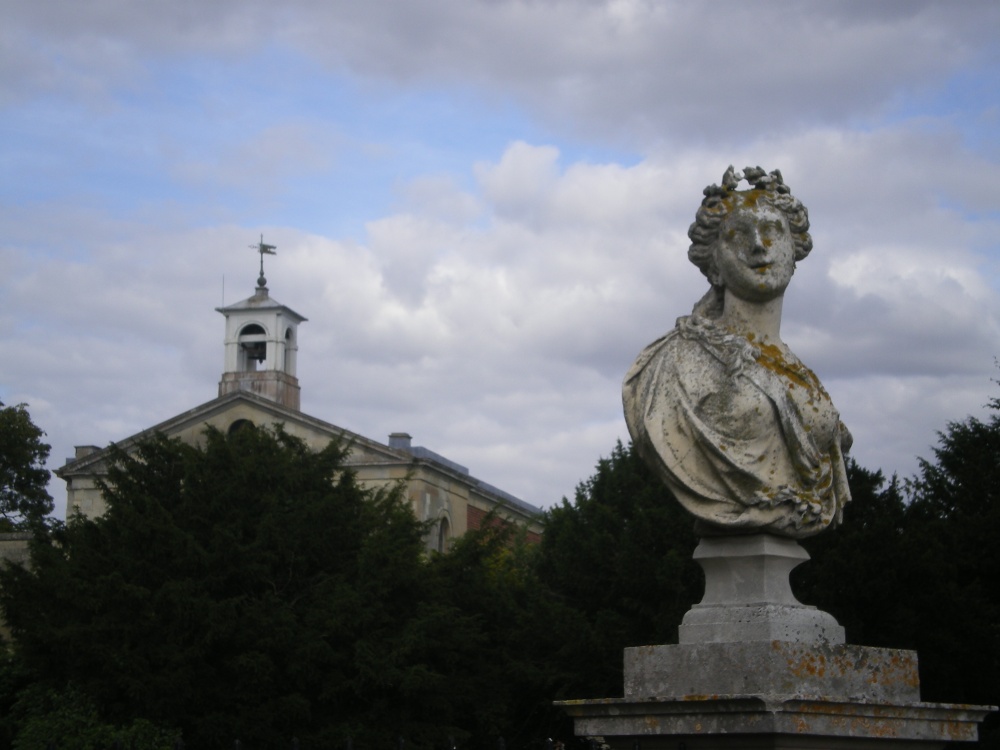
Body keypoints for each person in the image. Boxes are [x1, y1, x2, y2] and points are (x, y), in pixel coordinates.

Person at [622, 166, 851, 538]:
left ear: (795, 252)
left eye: (772, 232)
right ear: (713, 264)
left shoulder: (802, 377)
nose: (759, 245)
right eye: (738, 235)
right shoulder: (674, 364)